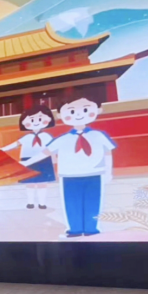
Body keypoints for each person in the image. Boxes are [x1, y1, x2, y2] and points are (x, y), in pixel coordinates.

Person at [22, 95, 116, 238]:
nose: (78, 114)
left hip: (94, 174)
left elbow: (107, 152)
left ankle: (92, 230)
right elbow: (45, 153)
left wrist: (108, 172)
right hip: (69, 176)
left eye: (85, 110)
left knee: (93, 203)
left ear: (98, 110)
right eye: (71, 111)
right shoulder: (62, 139)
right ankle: (75, 230)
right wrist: (26, 163)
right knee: (72, 204)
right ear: (60, 115)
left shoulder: (98, 136)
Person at [0, 105, 56, 209]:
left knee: (42, 183)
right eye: (31, 120)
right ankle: (30, 202)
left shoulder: (46, 136)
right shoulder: (26, 137)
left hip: (44, 161)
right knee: (30, 183)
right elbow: (15, 144)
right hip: (26, 160)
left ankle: (42, 203)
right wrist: (2, 149)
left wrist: (54, 160)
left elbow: (52, 149)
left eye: (40, 119)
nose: (36, 122)